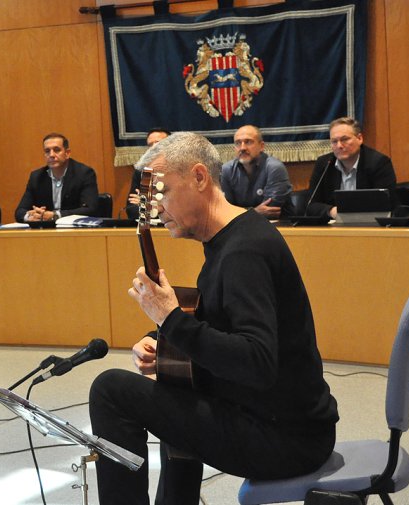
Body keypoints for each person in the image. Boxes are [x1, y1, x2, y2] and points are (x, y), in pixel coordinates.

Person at [89, 132, 338, 505]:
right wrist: (161, 339)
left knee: (111, 391)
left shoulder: (243, 253)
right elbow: (220, 324)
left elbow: (257, 362)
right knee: (174, 383)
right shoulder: (231, 238)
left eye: (163, 194)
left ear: (200, 178)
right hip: (282, 422)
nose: (156, 210)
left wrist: (171, 319)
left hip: (285, 438)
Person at [306, 117, 396, 218]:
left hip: (371, 227)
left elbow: (386, 204)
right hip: (333, 229)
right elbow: (311, 205)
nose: (339, 145)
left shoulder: (378, 163)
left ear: (360, 138)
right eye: (334, 141)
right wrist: (332, 211)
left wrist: (347, 212)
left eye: (344, 139)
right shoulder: (325, 164)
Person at [14, 133, 99, 222]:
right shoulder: (37, 177)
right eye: (47, 151)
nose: (51, 155)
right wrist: (30, 216)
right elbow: (20, 211)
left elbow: (91, 209)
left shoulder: (84, 173)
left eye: (56, 150)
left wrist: (56, 215)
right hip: (46, 231)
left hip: (74, 231)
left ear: (67, 153)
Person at [220, 125, 293, 219]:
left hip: (279, 229)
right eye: (238, 143)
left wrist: (239, 213)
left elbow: (270, 210)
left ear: (261, 146)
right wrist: (256, 212)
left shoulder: (274, 168)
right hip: (240, 228)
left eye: (248, 142)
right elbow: (224, 210)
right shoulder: (226, 170)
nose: (242, 148)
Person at [126, 128, 171, 220]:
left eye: (158, 143)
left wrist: (150, 205)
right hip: (149, 226)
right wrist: (151, 209)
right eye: (150, 144)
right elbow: (130, 209)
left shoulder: (182, 170)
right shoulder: (141, 171)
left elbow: (184, 207)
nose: (154, 147)